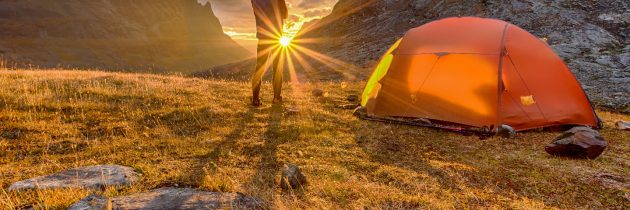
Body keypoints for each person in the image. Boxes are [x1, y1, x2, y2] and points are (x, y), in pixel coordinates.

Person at [251, 0, 288, 106]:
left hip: (263, 37)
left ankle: (255, 99)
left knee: (259, 68)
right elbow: (285, 15)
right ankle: (276, 98)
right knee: (277, 69)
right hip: (276, 37)